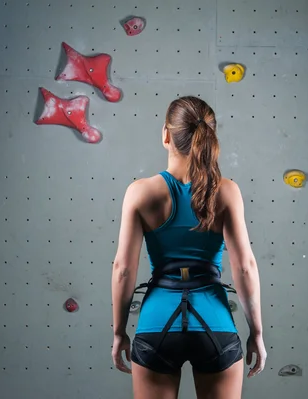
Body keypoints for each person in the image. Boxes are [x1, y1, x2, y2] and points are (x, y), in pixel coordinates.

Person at [111, 96, 266, 399]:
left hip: (157, 326)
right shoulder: (227, 192)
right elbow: (245, 267)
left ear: (166, 135)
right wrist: (256, 333)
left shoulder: (140, 193)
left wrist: (119, 333)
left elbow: (123, 269)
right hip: (215, 325)